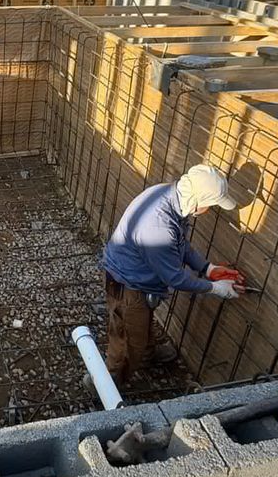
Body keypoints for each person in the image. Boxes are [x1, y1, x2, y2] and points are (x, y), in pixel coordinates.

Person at [102, 164, 244, 383]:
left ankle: (148, 356)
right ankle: (107, 384)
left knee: (142, 322)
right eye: (210, 205)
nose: (209, 210)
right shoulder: (158, 226)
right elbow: (175, 278)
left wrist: (208, 268)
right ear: (198, 200)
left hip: (137, 277)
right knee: (127, 340)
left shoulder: (172, 197)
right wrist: (215, 288)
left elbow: (180, 244)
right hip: (126, 283)